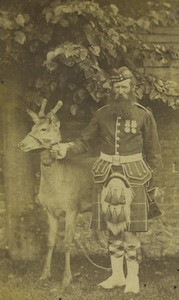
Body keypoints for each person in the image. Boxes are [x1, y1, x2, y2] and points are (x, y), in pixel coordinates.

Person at [50, 66, 162, 294]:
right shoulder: (101, 114)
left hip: (134, 175)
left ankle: (132, 279)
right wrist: (66, 149)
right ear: (111, 90)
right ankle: (116, 276)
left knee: (131, 230)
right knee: (112, 229)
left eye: (124, 87)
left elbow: (154, 152)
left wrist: (153, 182)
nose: (120, 91)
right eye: (116, 87)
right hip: (106, 174)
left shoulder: (143, 114)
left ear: (132, 88)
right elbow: (85, 141)